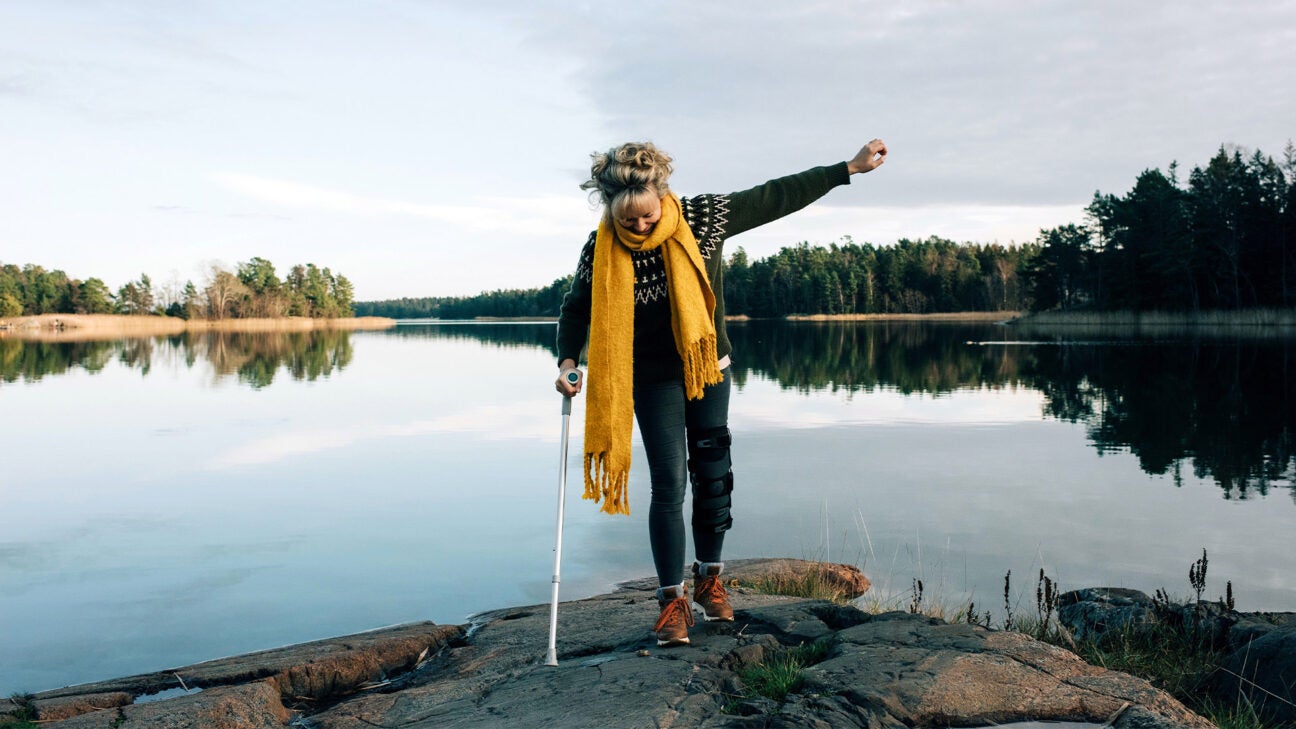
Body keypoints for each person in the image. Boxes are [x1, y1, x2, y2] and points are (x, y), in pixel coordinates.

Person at [554, 138, 888, 647]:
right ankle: (671, 602)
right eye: (629, 222)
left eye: (647, 217)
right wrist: (569, 362)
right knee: (668, 484)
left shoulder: (703, 218)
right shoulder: (599, 248)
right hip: (649, 376)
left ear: (662, 196)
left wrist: (848, 168)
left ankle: (710, 579)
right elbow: (576, 308)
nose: (640, 228)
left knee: (713, 475)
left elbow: (777, 195)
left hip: (708, 367)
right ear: (611, 212)